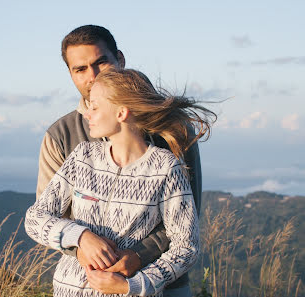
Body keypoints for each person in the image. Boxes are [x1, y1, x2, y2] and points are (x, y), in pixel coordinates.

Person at [36, 25, 202, 296]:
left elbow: (188, 219)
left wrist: (137, 261)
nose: (92, 76)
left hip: (162, 285)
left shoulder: (173, 129)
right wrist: (81, 244)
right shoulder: (61, 136)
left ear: (120, 60)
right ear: (70, 74)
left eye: (101, 62)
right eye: (80, 69)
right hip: (81, 285)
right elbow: (45, 216)